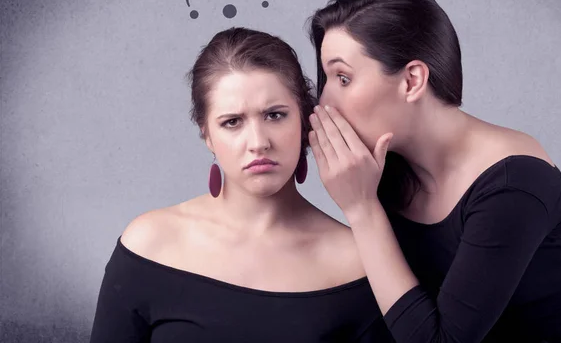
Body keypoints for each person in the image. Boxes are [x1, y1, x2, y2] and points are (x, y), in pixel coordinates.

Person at [307, 0, 561, 342]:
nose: (324, 101)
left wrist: (362, 210)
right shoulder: (388, 168)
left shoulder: (515, 182)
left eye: (343, 78)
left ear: (412, 80)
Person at [89, 27, 394, 342]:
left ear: (304, 120)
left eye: (274, 115)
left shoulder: (357, 261)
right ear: (207, 134)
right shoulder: (150, 243)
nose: (258, 143)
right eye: (232, 122)